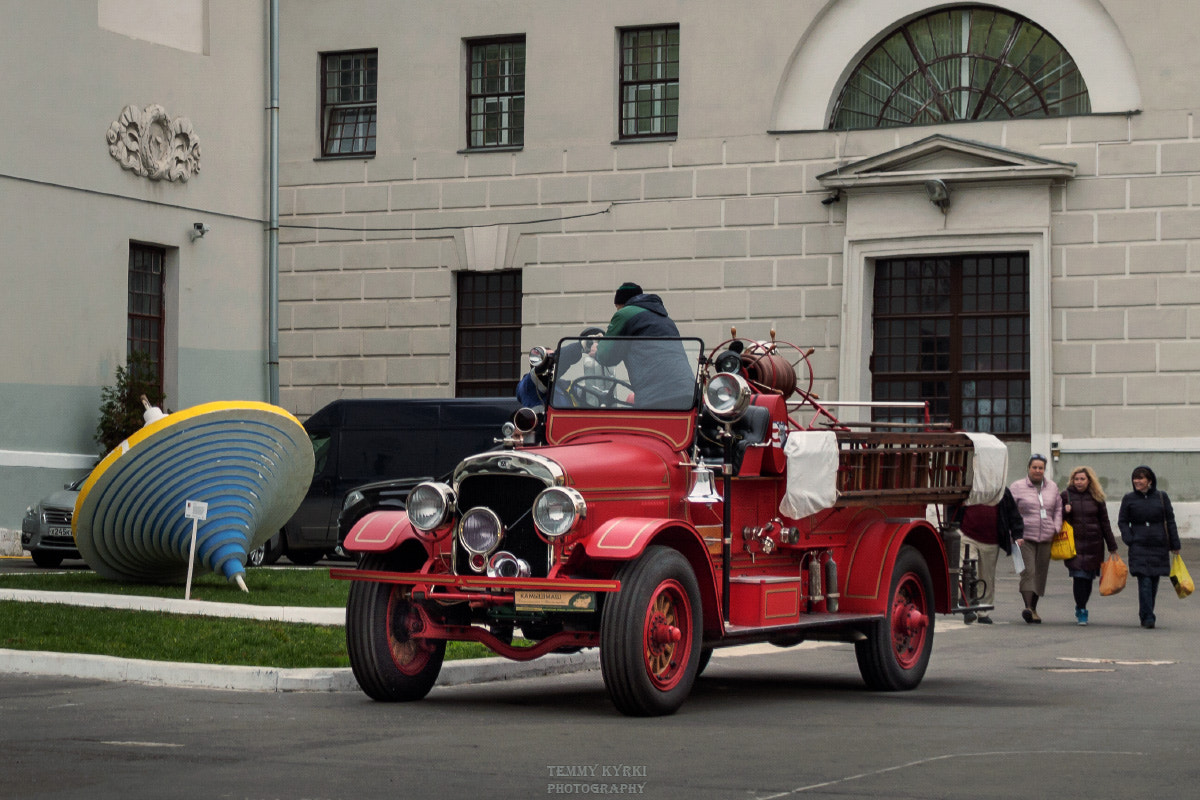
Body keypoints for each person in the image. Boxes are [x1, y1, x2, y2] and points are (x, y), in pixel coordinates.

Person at [595, 282, 695, 409]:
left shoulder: (625, 313)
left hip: (656, 396)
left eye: (617, 307)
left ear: (620, 304)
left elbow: (606, 357)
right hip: (688, 393)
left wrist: (597, 348)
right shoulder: (665, 319)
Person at [1117, 465, 1181, 629]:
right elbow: (1122, 521)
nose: (1137, 481)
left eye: (1141, 478)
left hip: (1158, 544)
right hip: (1139, 545)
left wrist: (1175, 543)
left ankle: (1145, 612)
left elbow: (1170, 521)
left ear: (1150, 480)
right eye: (1135, 478)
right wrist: (1129, 538)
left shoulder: (1161, 497)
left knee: (1154, 581)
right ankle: (1148, 617)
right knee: (1144, 580)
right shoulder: (1129, 498)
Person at [1060, 465, 1119, 626]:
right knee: (1078, 578)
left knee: (1088, 579)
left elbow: (1105, 522)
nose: (1079, 482)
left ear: (1089, 481)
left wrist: (1112, 545)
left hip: (1094, 544)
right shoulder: (1066, 496)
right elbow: (1057, 518)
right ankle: (1082, 609)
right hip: (1074, 545)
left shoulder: (1097, 497)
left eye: (1082, 479)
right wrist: (1065, 511)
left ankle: (1082, 605)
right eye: (1076, 479)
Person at [956, 487, 1023, 624]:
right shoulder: (970, 486)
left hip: (991, 541)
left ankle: (983, 612)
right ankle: (966, 604)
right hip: (967, 535)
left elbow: (1013, 514)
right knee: (963, 571)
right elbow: (953, 506)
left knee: (986, 577)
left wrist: (1017, 535)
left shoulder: (1002, 490)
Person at [1009, 454, 1062, 623]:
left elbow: (1058, 508)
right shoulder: (1017, 487)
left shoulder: (1052, 487)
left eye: (1041, 468)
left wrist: (1056, 527)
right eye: (1034, 467)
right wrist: (1014, 533)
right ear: (1028, 468)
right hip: (1025, 538)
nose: (1038, 471)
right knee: (1028, 572)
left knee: (1040, 574)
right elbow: (1010, 510)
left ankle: (1033, 609)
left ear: (1044, 470)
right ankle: (1028, 607)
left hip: (1046, 537)